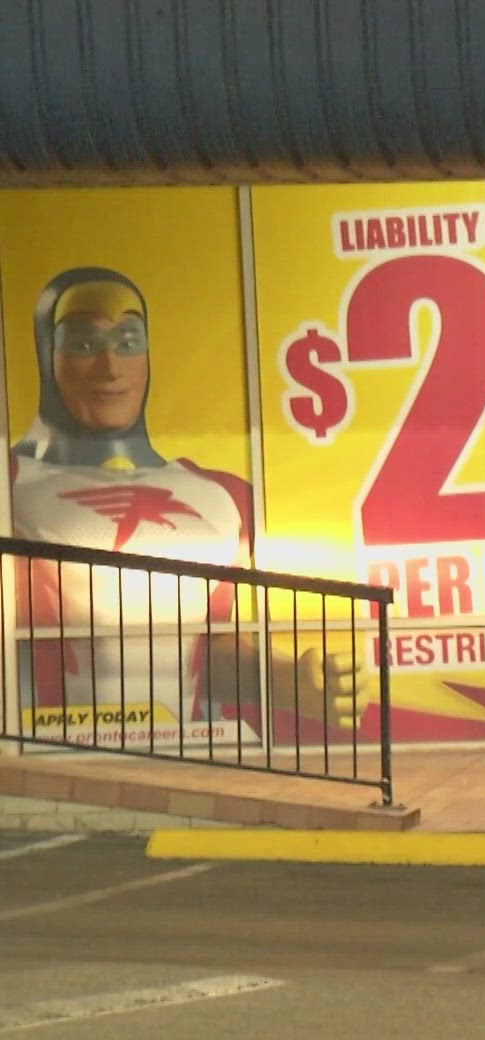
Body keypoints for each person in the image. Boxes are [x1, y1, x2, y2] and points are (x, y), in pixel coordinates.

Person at [10, 266, 357, 747]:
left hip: (183, 754)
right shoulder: (10, 484)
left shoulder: (222, 497)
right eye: (85, 344)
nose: (111, 367)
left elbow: (205, 648)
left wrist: (282, 679)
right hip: (47, 757)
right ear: (47, 354)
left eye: (129, 341)